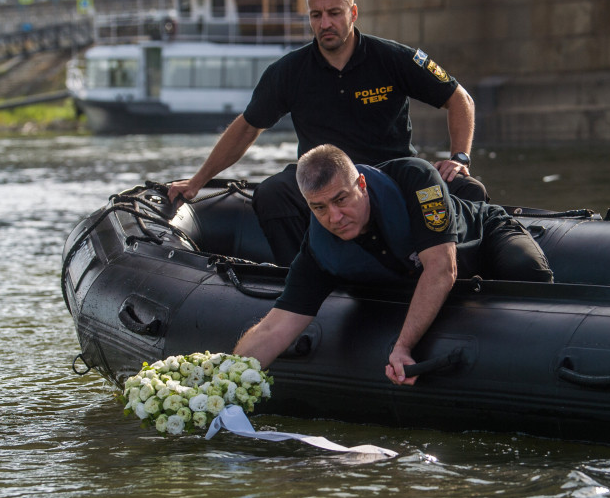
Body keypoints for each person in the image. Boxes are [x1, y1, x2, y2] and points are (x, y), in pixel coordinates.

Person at [167, 0, 485, 265]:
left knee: (465, 188)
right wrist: (197, 182)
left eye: (334, 13)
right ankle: (303, 274)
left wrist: (459, 158)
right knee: (271, 193)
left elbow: (459, 98)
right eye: (316, 16)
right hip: (321, 178)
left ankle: (462, 272)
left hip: (390, 173)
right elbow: (248, 126)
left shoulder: (393, 58)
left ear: (353, 13)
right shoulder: (289, 71)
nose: (325, 23)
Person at [231, 144, 552, 385]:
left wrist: (402, 347)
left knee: (525, 268)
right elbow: (274, 329)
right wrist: (226, 379)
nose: (335, 218)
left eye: (341, 199)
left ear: (362, 185)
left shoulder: (415, 179)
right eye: (319, 208)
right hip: (411, 276)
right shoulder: (319, 249)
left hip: (483, 239)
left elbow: (442, 269)